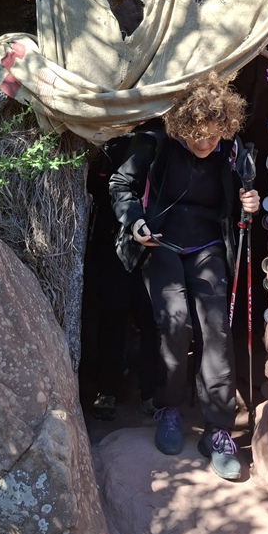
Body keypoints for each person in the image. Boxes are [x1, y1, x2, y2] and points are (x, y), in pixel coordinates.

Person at [109, 74, 260, 480]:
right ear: (181, 125)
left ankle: (218, 431)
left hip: (208, 246)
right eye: (196, 136)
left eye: (212, 135)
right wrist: (135, 221)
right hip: (161, 243)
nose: (205, 143)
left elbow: (242, 197)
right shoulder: (155, 143)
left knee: (216, 330)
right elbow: (121, 183)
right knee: (174, 323)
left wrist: (250, 201)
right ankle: (169, 408)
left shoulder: (231, 150)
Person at [83, 140, 159, 421]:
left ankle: (151, 392)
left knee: (152, 318)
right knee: (113, 313)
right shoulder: (126, 141)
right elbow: (110, 188)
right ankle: (108, 389)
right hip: (116, 241)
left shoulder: (167, 143)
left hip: (156, 244)